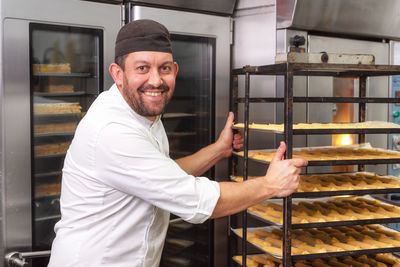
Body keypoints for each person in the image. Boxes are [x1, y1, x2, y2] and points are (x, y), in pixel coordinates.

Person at [48, 19, 307, 267]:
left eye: (164, 68)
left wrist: (218, 151)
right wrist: (270, 185)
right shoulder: (112, 131)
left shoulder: (143, 111)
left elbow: (162, 176)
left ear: (175, 70)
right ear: (118, 73)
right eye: (142, 68)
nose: (156, 80)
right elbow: (197, 200)